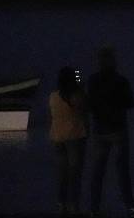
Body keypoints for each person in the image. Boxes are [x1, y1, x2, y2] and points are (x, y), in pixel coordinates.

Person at [86, 46, 134, 217]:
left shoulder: (93, 80)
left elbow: (89, 105)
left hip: (100, 130)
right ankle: (130, 207)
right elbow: (130, 103)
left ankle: (94, 208)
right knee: (122, 170)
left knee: (98, 171)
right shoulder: (121, 80)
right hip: (118, 129)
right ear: (113, 61)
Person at [49, 67, 87, 215]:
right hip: (75, 136)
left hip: (57, 136)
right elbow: (85, 110)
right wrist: (81, 88)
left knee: (62, 173)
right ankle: (74, 206)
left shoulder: (53, 96)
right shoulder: (76, 96)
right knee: (75, 174)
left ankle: (61, 204)